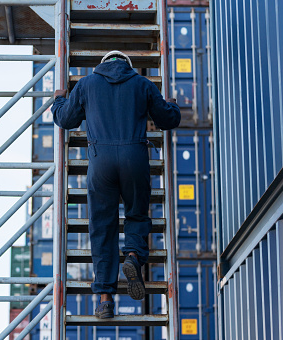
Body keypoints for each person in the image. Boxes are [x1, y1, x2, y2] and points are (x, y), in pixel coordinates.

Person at [51, 51, 180, 319]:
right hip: (135, 157)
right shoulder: (143, 84)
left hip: (101, 162)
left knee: (103, 226)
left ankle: (105, 299)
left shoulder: (86, 84)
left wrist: (58, 101)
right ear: (127, 65)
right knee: (136, 214)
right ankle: (133, 255)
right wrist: (174, 105)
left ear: (102, 64)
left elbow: (66, 120)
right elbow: (168, 119)